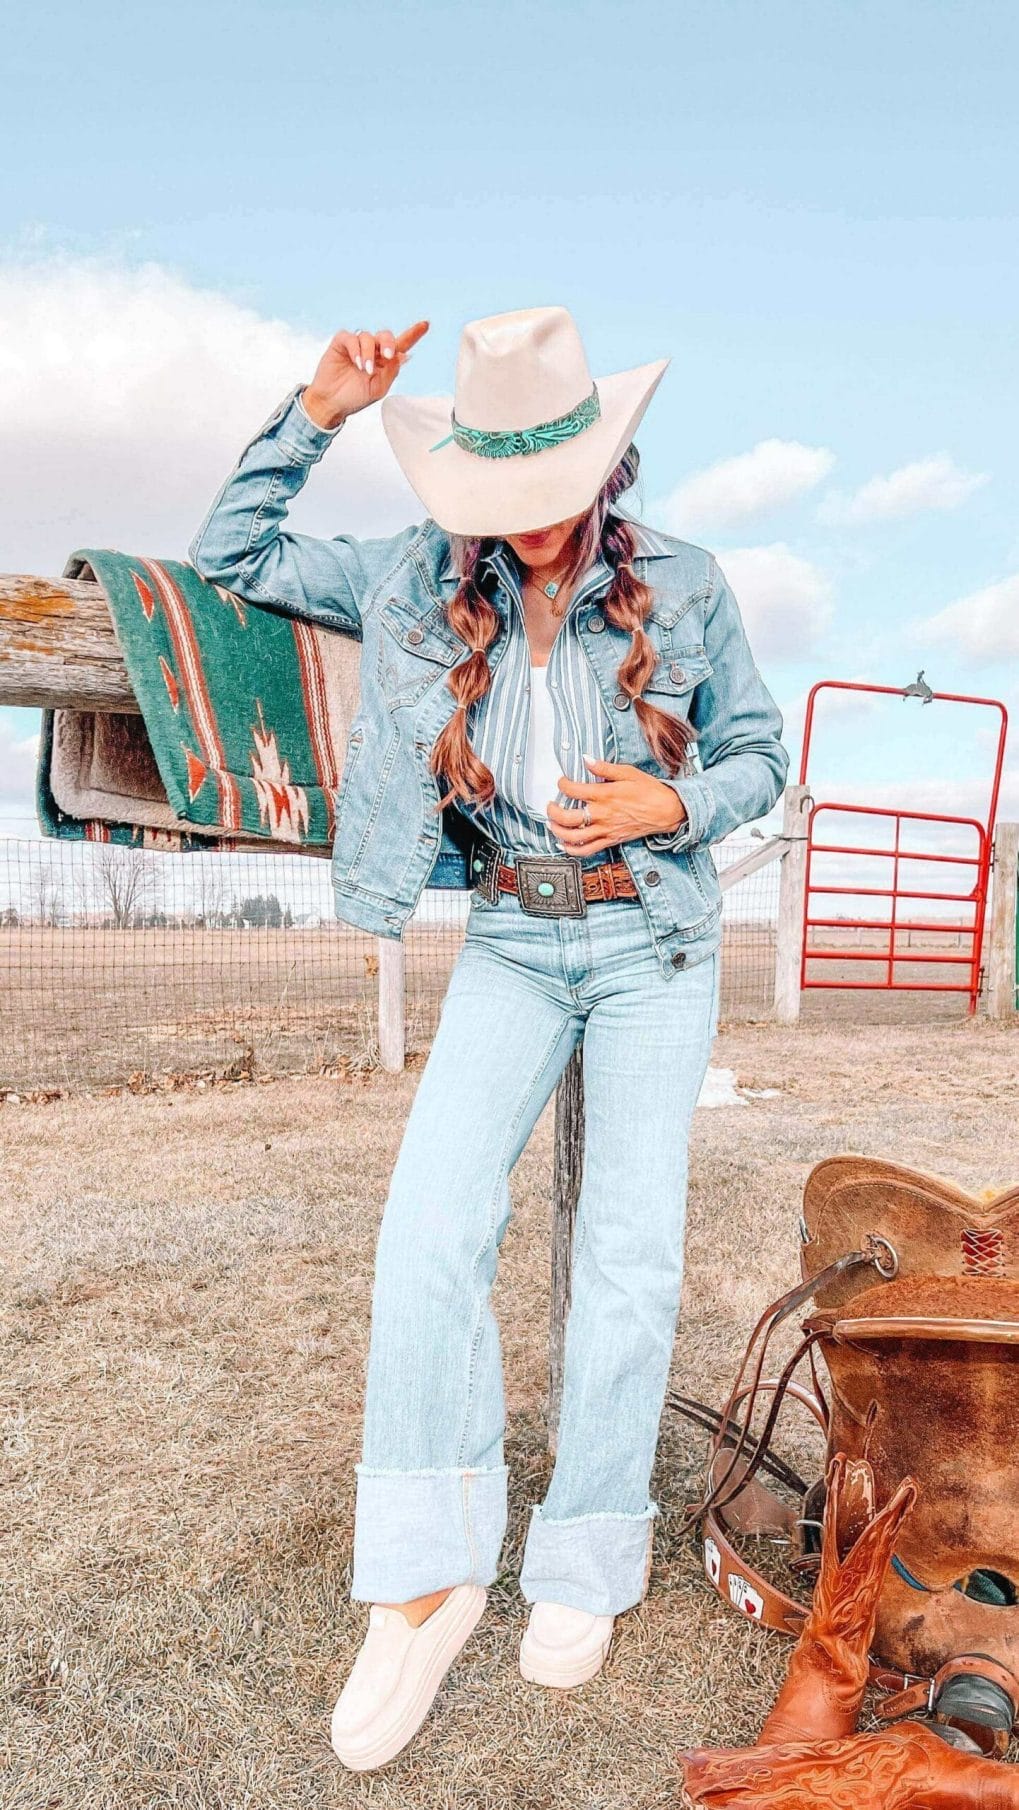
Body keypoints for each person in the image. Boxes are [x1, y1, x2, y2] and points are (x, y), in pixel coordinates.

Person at [187, 304, 790, 1771]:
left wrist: (678, 802)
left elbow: (761, 749)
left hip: (651, 935)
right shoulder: (408, 579)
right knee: (428, 1224)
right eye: (498, 495)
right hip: (513, 937)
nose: (526, 524)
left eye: (553, 489)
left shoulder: (687, 584)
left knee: (630, 1253)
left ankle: (585, 1552)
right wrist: (318, 409)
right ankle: (429, 1564)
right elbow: (232, 561)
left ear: (603, 462)